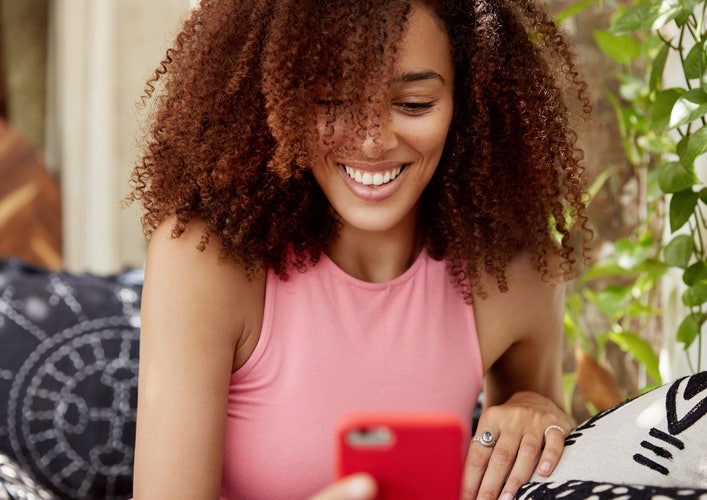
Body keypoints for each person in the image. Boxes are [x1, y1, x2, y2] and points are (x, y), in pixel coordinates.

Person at [128, 0, 591, 498]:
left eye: (414, 104)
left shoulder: (511, 276)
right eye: (331, 102)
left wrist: (537, 411)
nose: (372, 141)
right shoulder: (206, 262)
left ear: (470, 103)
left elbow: (537, 451)